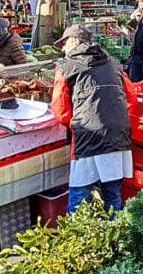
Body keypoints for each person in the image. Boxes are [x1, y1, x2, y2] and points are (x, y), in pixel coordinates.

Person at [50, 25, 132, 214]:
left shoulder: (65, 66)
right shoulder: (113, 63)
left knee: (79, 193)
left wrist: (75, 123)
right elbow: (131, 95)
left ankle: (77, 240)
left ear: (74, 42)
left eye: (64, 43)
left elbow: (60, 109)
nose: (62, 48)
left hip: (88, 135)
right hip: (118, 134)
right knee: (112, 193)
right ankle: (115, 239)